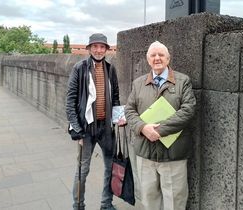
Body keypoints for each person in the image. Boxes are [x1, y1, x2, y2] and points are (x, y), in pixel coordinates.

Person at [124, 41, 196, 210]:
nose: (157, 58)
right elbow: (129, 110)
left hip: (173, 155)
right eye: (153, 55)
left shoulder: (182, 81)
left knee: (175, 202)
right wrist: (142, 128)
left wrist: (159, 131)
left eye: (161, 55)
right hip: (145, 153)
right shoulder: (138, 83)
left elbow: (188, 110)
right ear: (148, 60)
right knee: (149, 201)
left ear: (168, 58)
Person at [66, 33, 120, 210]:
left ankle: (106, 204)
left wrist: (118, 120)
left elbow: (116, 98)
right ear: (89, 49)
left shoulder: (111, 69)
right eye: (95, 46)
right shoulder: (79, 68)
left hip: (106, 128)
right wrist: (77, 131)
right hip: (86, 128)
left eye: (102, 47)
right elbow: (70, 101)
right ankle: (78, 206)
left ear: (106, 49)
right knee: (83, 170)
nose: (98, 50)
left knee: (110, 167)